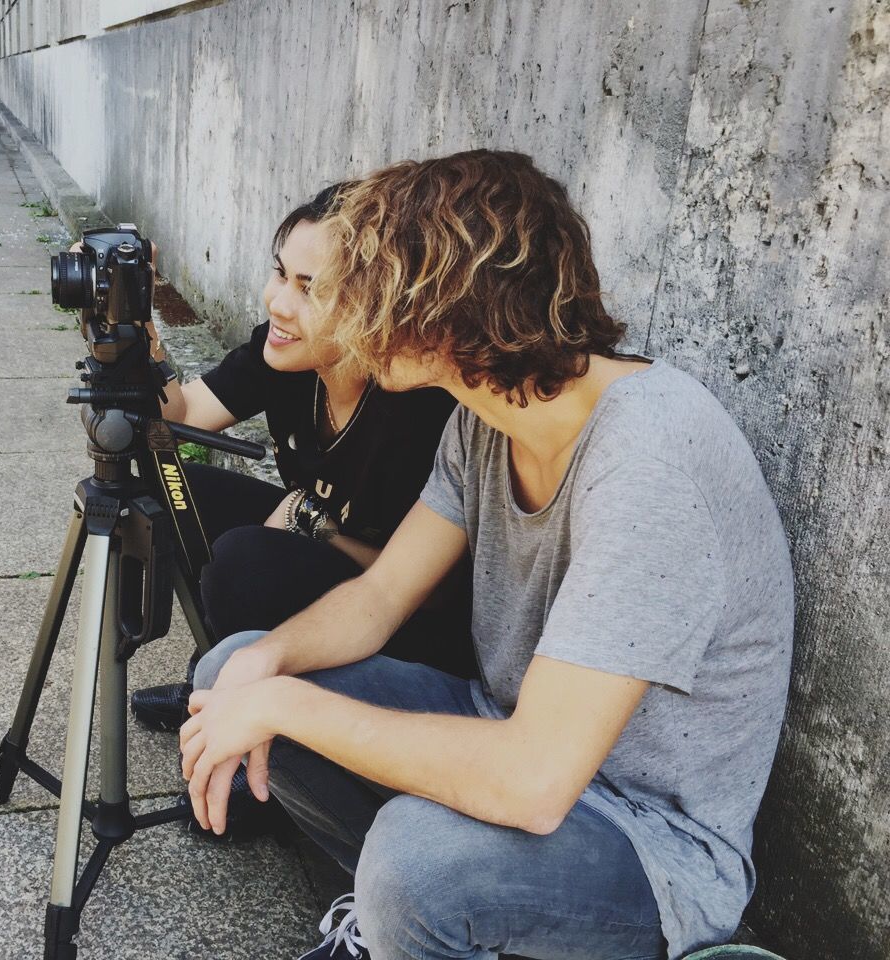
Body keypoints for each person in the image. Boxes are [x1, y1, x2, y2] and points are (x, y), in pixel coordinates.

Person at [180, 151, 794, 960]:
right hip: (500, 727)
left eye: (367, 281)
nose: (343, 307)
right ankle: (413, 920)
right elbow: (378, 598)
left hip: (646, 842)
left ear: (447, 307)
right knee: (234, 669)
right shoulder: (483, 417)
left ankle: (422, 908)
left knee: (414, 863)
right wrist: (267, 673)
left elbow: (535, 782)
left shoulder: (649, 464)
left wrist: (287, 706)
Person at [128, 183, 471, 742]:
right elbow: (179, 418)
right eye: (280, 273)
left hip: (406, 624)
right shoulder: (288, 351)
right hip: (327, 558)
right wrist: (138, 333)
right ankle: (217, 681)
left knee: (245, 562)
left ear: (373, 303)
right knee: (170, 486)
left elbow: (436, 593)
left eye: (310, 289)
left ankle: (275, 752)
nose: (279, 302)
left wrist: (316, 527)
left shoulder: (418, 406)